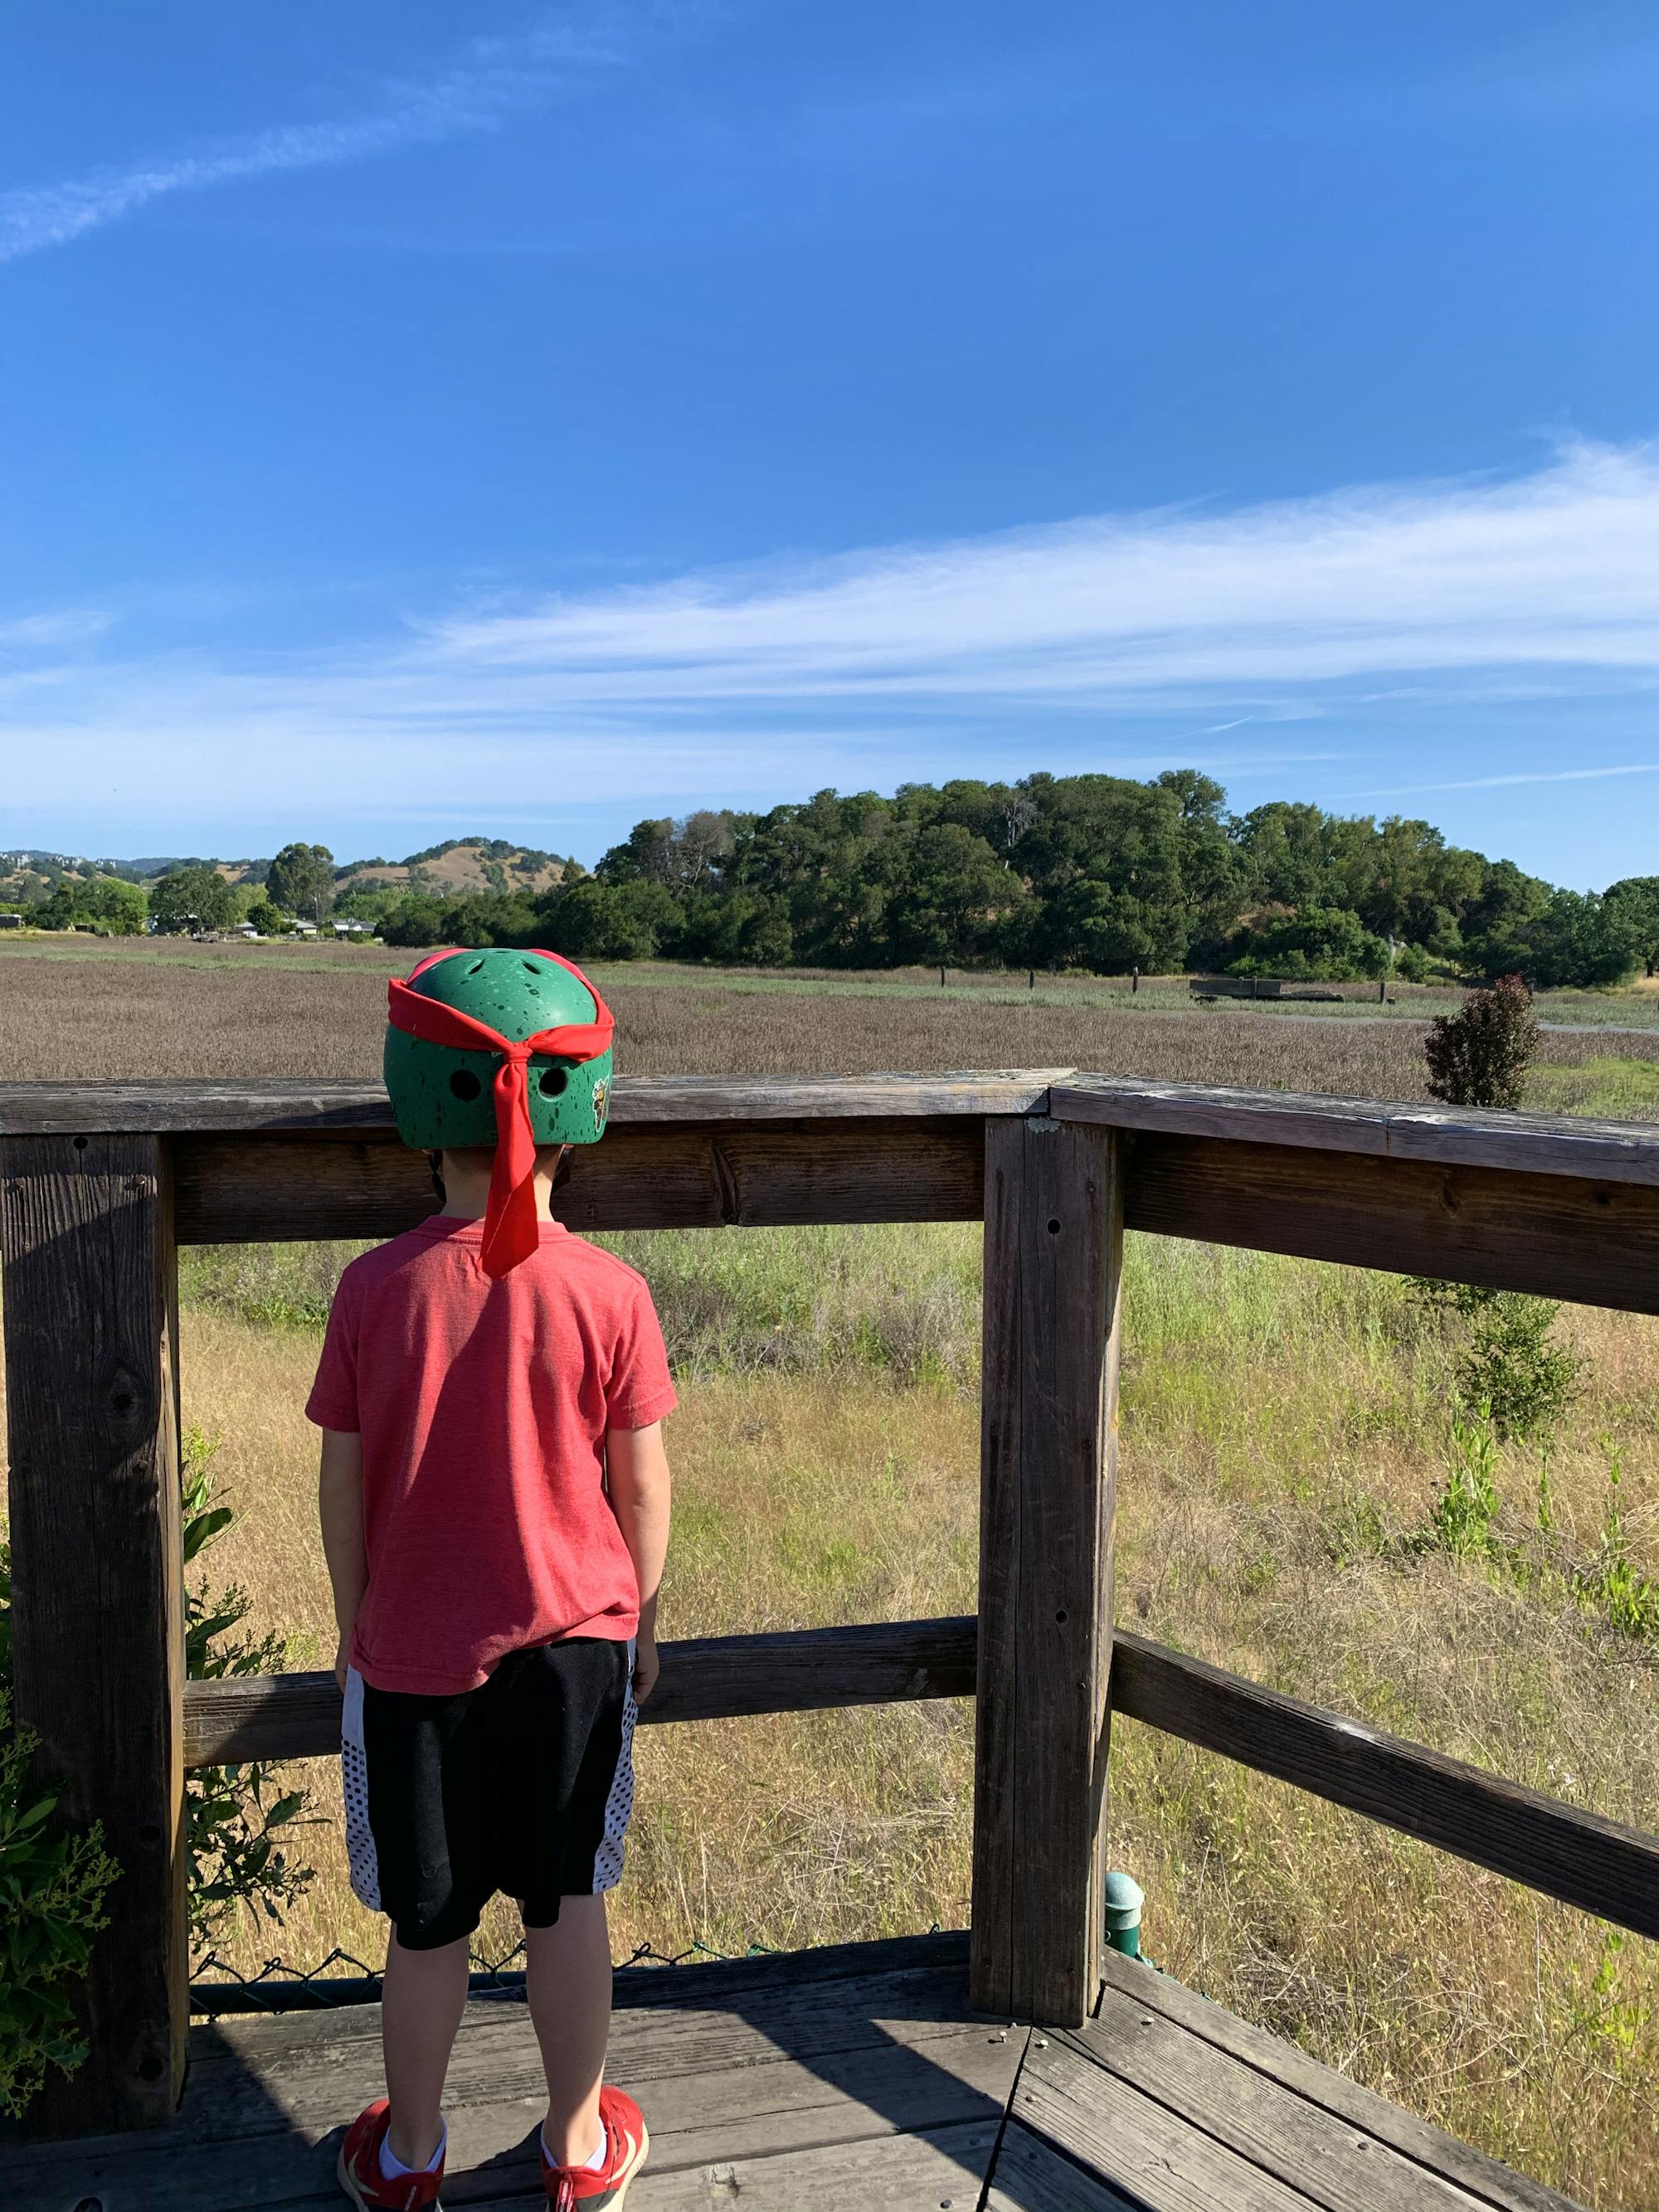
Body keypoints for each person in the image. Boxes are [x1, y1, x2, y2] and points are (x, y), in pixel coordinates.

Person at [309, 947, 676, 2210]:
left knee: (428, 1924)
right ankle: (578, 2148)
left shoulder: (372, 1290)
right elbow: (643, 1491)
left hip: (411, 1653)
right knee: (564, 1902)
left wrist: (357, 1622)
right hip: (578, 1649)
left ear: (419, 1101)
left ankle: (410, 2156)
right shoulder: (613, 1292)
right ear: (584, 1111)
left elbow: (343, 1491)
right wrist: (641, 1622)